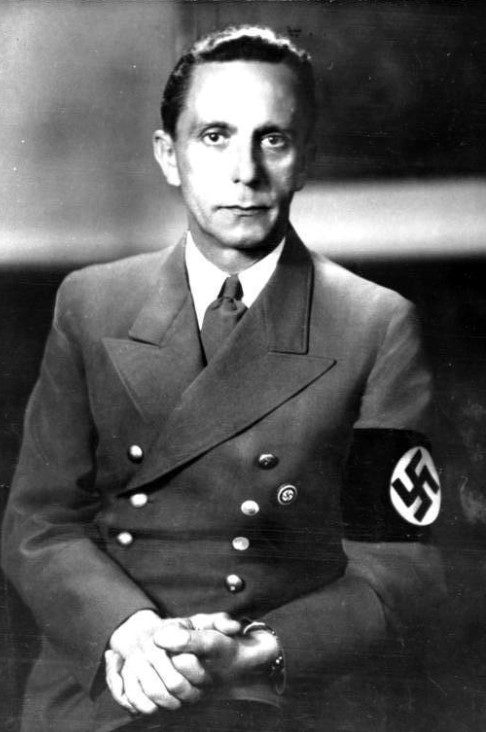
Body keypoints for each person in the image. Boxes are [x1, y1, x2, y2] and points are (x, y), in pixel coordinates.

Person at [2, 25, 445, 732]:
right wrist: (128, 631)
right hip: (110, 681)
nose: (245, 171)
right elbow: (38, 520)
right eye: (214, 136)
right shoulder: (90, 303)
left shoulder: (376, 325)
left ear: (306, 159)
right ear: (167, 155)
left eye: (274, 140)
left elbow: (400, 568)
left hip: (277, 692)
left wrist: (256, 654)